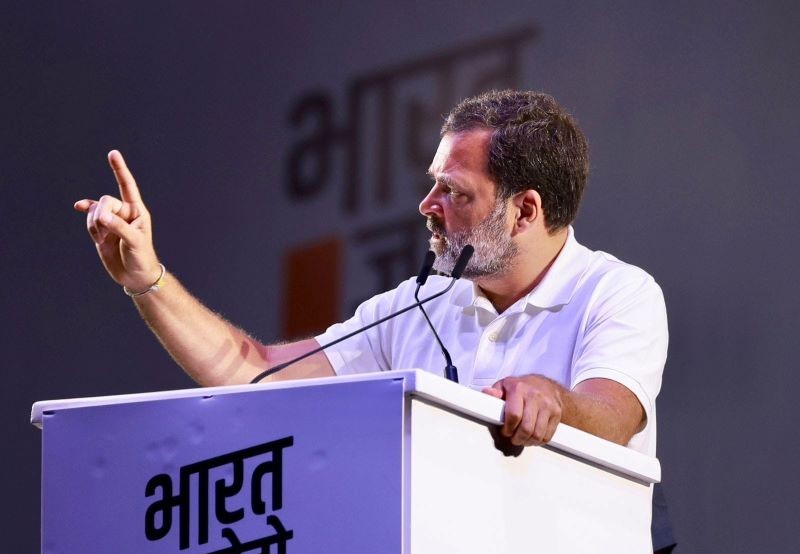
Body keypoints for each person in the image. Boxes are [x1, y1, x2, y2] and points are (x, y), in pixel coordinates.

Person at [75, 90, 667, 455]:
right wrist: (147, 280)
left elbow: (612, 420)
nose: (427, 205)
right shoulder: (415, 307)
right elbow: (253, 372)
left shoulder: (616, 293)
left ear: (525, 212)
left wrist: (552, 399)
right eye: (432, 184)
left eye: (454, 191)